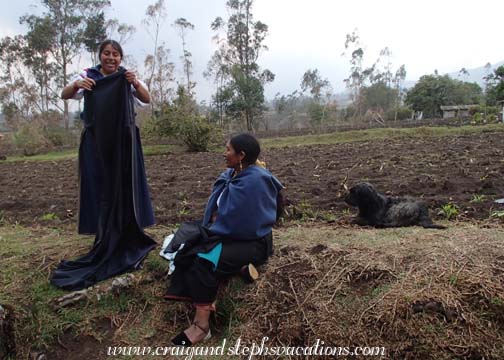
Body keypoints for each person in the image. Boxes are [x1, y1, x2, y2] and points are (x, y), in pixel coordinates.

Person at [51, 40, 156, 290]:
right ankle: (104, 234)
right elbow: (65, 94)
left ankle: (127, 231)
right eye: (107, 53)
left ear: (120, 58)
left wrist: (135, 82)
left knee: (125, 185)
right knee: (99, 187)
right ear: (100, 56)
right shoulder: (88, 75)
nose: (111, 58)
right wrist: (77, 84)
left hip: (123, 142)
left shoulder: (125, 77)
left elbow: (146, 99)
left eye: (116, 54)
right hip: (97, 142)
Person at [164, 133, 284, 346]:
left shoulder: (256, 180)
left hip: (253, 242)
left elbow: (252, 221)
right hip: (229, 237)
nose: (224, 153)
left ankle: (201, 327)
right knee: (186, 250)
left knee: (204, 259)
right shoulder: (232, 174)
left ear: (241, 155)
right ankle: (238, 268)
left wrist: (214, 232)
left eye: (228, 149)